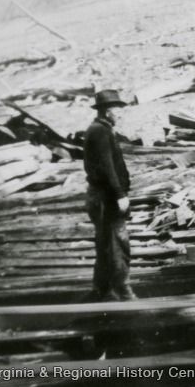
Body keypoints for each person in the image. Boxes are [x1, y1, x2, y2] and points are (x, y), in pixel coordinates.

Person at [83, 89, 137, 301]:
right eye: (117, 110)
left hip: (101, 196)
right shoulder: (100, 131)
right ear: (106, 111)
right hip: (107, 198)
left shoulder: (99, 129)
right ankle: (123, 291)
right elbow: (107, 167)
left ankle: (101, 288)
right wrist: (119, 194)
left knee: (106, 242)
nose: (120, 114)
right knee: (117, 243)